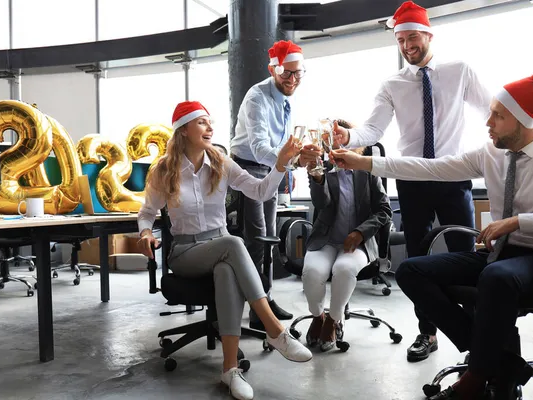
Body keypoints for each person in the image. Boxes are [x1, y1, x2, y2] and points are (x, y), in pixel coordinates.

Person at [330, 76, 533, 399]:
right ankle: (497, 362)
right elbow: (430, 168)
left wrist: (517, 222)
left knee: (495, 276)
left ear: (525, 121)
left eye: (498, 116)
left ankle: (475, 379)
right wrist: (363, 162)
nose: (488, 123)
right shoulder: (491, 153)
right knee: (410, 271)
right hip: (500, 255)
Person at [330, 0, 492, 362]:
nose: (407, 46)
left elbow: (490, 112)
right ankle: (427, 333)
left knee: (464, 254)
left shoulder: (460, 71)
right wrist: (347, 138)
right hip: (410, 179)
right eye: (401, 40)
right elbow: (372, 129)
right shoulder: (392, 83)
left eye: (413, 37)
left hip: (453, 175)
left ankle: (477, 330)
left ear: (429, 34)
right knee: (417, 258)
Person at [138, 101, 312, 400]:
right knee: (234, 243)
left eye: (210, 122)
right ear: (184, 130)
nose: (210, 128)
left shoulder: (220, 161)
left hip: (219, 247)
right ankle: (274, 329)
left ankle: (230, 369)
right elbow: (147, 211)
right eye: (202, 122)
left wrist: (281, 164)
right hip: (185, 253)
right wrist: (144, 232)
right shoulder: (164, 170)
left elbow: (259, 191)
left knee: (225, 268)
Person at [230, 40, 306, 329]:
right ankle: (255, 308)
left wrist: (289, 165)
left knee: (270, 237)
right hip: (248, 168)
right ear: (272, 69)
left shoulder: (287, 96)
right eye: (287, 73)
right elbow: (261, 147)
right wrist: (284, 162)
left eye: (298, 73)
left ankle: (266, 298)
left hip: (272, 168)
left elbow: (282, 145)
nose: (293, 80)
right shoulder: (257, 97)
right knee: (257, 238)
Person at [302, 120, 392, 352]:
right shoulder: (322, 172)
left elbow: (385, 210)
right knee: (313, 272)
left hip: (357, 244)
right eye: (333, 142)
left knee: (343, 269)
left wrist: (360, 232)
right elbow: (321, 204)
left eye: (344, 140)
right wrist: (318, 179)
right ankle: (318, 316)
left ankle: (333, 320)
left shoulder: (368, 174)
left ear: (356, 146)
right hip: (326, 240)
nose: (339, 146)